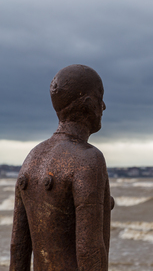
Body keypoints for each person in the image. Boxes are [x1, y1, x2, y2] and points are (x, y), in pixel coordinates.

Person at [10, 64, 112, 271]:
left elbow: (18, 247)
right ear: (89, 103)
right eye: (100, 98)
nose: (104, 107)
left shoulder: (33, 157)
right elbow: (88, 250)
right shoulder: (88, 159)